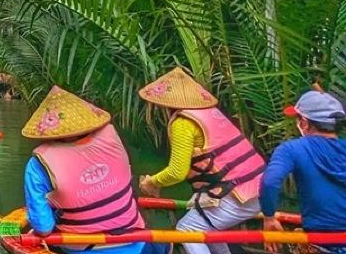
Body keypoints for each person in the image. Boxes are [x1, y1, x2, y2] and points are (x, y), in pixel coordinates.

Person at [138, 67, 265, 254]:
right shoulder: (210, 112)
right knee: (208, 228)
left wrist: (152, 182)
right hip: (262, 189)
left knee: (186, 230)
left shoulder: (183, 123)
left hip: (238, 195)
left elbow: (177, 171)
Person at [23, 86, 159, 254]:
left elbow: (44, 228)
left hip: (84, 248)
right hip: (137, 241)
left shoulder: (37, 165)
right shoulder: (112, 137)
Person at [260, 89, 346, 254]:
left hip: (321, 242)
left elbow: (270, 181)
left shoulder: (292, 149)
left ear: (305, 123)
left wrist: (269, 218)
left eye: (297, 119)